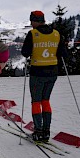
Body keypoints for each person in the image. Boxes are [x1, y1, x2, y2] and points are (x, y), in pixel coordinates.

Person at [21, 11, 66, 142]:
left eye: (31, 21)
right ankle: (46, 131)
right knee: (45, 100)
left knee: (36, 101)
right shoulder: (56, 34)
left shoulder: (33, 34)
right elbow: (63, 53)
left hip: (37, 73)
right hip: (52, 72)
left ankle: (38, 131)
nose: (31, 24)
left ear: (35, 21)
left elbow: (25, 53)